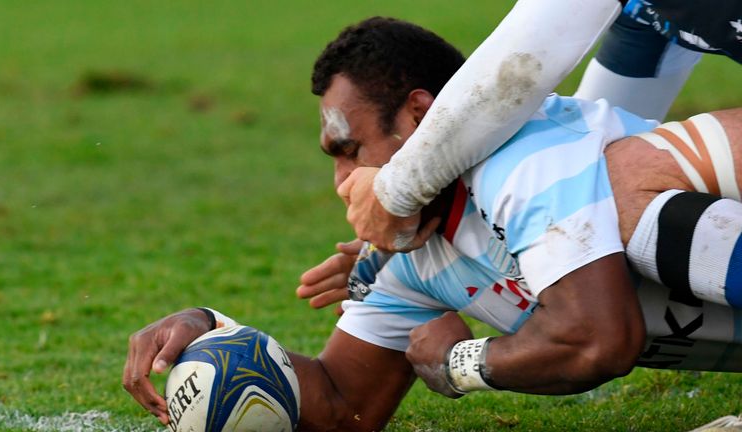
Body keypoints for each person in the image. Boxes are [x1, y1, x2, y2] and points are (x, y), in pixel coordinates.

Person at [124, 18, 742, 431]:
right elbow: (342, 406)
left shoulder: (523, 162)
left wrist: (461, 361)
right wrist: (210, 336)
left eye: (350, 149)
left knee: (632, 203)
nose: (342, 182)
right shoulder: (412, 260)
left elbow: (598, 339)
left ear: (421, 116)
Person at [335, 0, 742, 254]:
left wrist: (394, 193)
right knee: (608, 188)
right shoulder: (642, 13)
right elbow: (588, 159)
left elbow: (518, 67)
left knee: (632, 175)